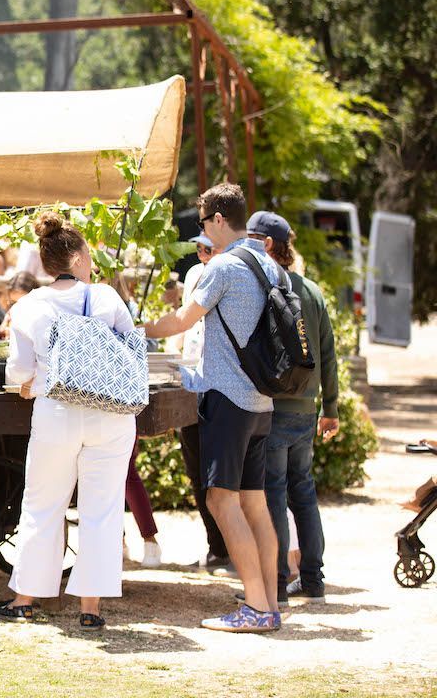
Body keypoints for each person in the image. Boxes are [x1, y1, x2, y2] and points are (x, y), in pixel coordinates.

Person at [143, 183, 282, 632]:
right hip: (262, 401)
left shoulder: (222, 266)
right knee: (255, 505)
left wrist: (133, 324)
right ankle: (270, 603)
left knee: (221, 501)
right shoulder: (268, 263)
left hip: (228, 397)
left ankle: (257, 609)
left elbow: (181, 321)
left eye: (203, 222)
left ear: (219, 219)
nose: (203, 231)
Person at [0, 212, 137, 630]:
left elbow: (20, 371)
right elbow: (133, 349)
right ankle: (90, 608)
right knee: (102, 509)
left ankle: (24, 599)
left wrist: (27, 384)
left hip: (56, 411)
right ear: (76, 258)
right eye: (89, 255)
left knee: (42, 505)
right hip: (110, 413)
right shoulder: (106, 299)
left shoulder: (30, 306)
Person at [247, 211, 340, 604]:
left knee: (274, 494)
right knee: (303, 491)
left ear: (267, 246)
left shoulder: (265, 288)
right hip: (306, 409)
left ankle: (278, 580)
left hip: (274, 406)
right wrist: (330, 408)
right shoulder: (313, 292)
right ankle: (313, 580)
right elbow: (330, 355)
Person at [169, 234, 231, 571]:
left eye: (210, 247)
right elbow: (184, 325)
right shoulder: (194, 274)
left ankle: (229, 549)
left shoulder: (230, 273)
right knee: (196, 471)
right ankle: (216, 547)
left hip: (221, 384)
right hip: (190, 379)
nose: (203, 254)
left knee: (221, 474)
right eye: (199, 248)